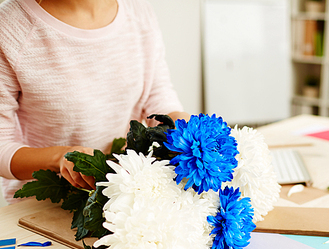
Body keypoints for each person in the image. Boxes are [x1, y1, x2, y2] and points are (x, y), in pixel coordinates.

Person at [0, 0, 191, 203]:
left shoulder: (138, 11)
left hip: (124, 199)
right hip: (40, 211)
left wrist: (185, 128)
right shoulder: (11, 27)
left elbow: (157, 96)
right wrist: (60, 158)